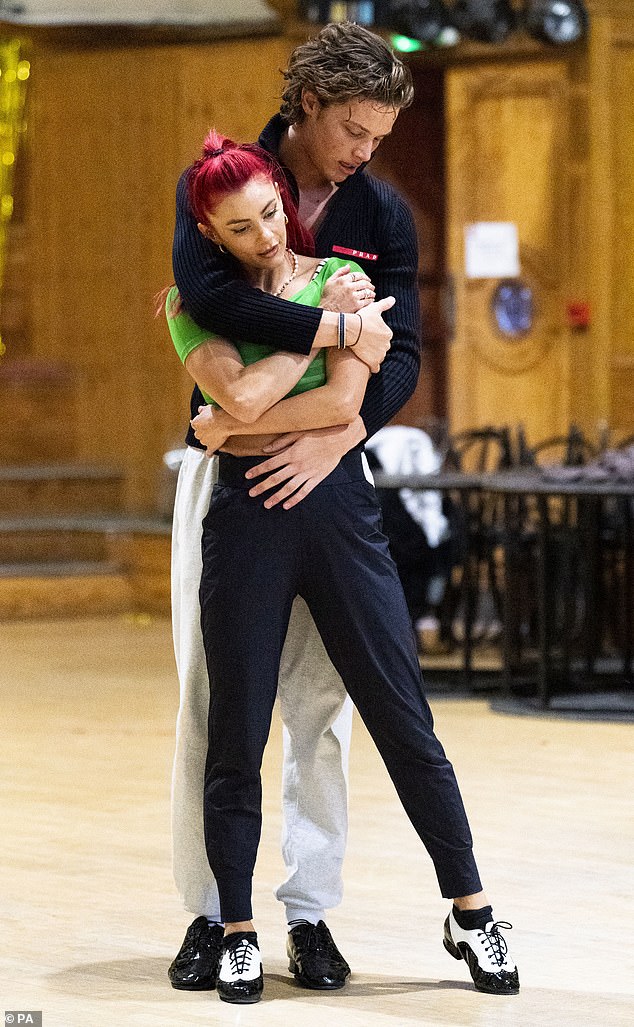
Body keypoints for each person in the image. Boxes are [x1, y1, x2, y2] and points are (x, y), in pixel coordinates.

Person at [166, 133, 520, 1006]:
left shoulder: (343, 273)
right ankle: (234, 926)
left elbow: (338, 403)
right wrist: (323, 331)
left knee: (402, 720)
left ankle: (471, 909)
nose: (268, 235)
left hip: (341, 518)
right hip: (244, 522)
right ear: (212, 235)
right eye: (244, 227)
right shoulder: (193, 301)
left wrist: (249, 406)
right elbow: (239, 399)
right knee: (233, 726)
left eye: (273, 213)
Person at [168, 22, 421, 995]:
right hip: (225, 472)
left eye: (380, 136)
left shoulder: (383, 214)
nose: (366, 149)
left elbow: (399, 352)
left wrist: (341, 432)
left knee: (323, 710)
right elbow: (209, 304)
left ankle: (309, 913)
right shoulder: (221, 182)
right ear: (307, 102)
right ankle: (209, 910)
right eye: (354, 127)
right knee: (214, 704)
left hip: (327, 470)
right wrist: (335, 326)